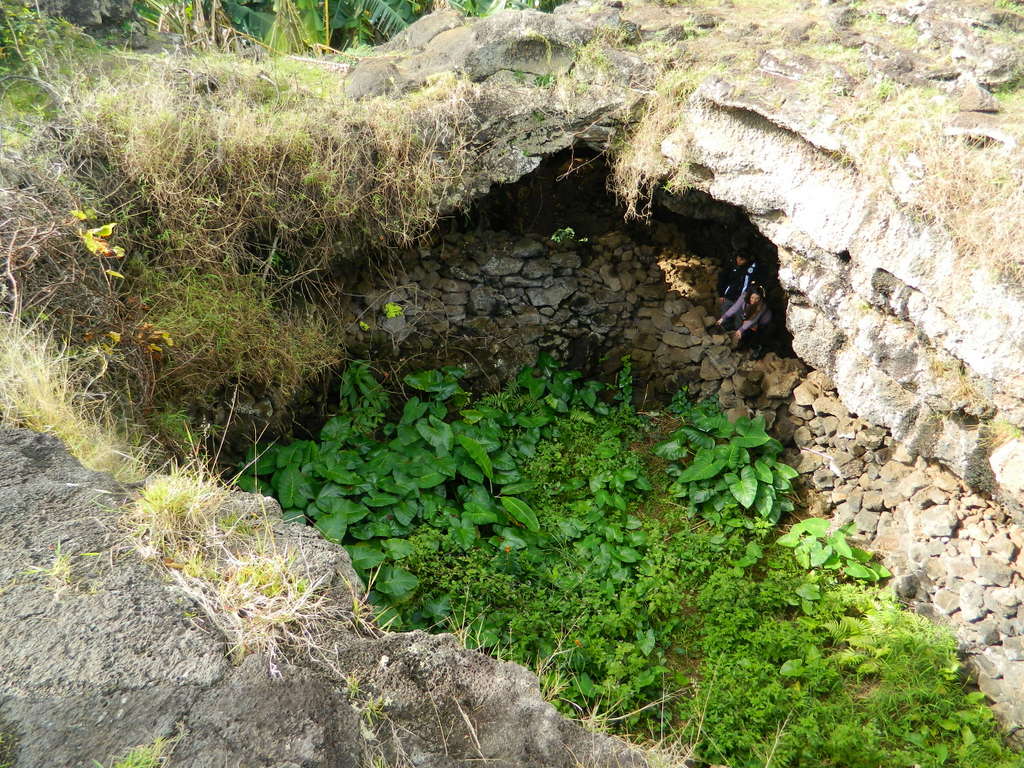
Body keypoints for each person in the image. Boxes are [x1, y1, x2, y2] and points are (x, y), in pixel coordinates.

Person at [715, 282, 772, 359]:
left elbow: (752, 320)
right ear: (749, 295)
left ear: (760, 298)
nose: (754, 300)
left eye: (757, 298)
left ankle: (756, 348)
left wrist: (740, 330)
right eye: (752, 297)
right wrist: (723, 318)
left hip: (763, 319)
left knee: (755, 331)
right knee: (744, 326)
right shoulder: (744, 296)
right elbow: (734, 308)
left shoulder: (761, 306)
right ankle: (744, 345)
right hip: (749, 314)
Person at [716, 253, 765, 328]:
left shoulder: (751, 270)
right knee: (725, 312)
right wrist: (721, 294)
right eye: (738, 258)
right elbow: (723, 279)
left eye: (742, 260)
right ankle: (725, 330)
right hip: (729, 296)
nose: (739, 261)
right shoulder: (731, 266)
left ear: (746, 260)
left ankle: (737, 333)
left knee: (739, 317)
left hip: (742, 298)